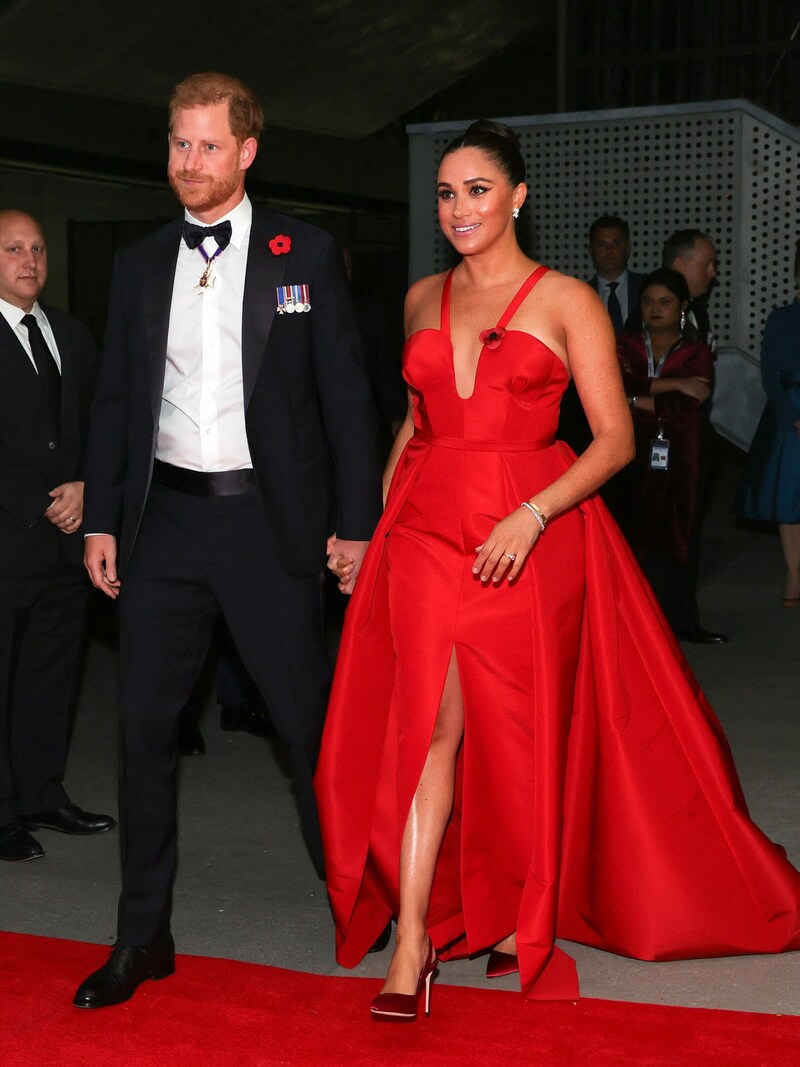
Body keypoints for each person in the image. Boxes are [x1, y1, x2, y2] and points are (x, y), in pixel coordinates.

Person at [314, 121, 800, 1014]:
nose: (460, 208)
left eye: (478, 191)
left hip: (526, 530)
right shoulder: (423, 296)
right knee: (430, 724)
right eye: (448, 193)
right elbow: (413, 428)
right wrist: (370, 533)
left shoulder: (566, 298)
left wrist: (533, 515)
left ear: (518, 197)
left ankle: (510, 911)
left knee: (514, 732)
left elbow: (613, 441)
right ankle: (414, 938)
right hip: (424, 530)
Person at [73, 72, 382, 1009]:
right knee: (140, 730)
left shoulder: (307, 254)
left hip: (267, 525)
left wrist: (356, 525)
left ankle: (363, 906)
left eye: (208, 145)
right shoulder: (137, 263)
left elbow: (348, 401)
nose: (188, 162)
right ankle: (141, 935)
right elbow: (118, 400)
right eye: (177, 143)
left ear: (247, 151)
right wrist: (99, 516)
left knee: (306, 729)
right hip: (163, 521)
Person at [0, 210, 115, 863]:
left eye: (38, 249)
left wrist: (85, 486)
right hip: (7, 535)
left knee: (51, 675)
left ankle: (42, 793)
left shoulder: (71, 333)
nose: (30, 261)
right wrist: (36, 500)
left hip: (64, 544)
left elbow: (102, 422)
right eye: (14, 249)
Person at [612, 269, 717, 638]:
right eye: (647, 301)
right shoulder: (626, 345)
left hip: (682, 451)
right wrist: (672, 384)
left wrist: (633, 401)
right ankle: (631, 624)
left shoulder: (696, 351)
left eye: (665, 302)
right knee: (629, 533)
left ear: (683, 307)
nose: (655, 309)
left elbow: (689, 404)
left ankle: (682, 622)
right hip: (627, 450)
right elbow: (616, 385)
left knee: (678, 533)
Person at [736, 239, 800, 605]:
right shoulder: (782, 318)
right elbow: (770, 375)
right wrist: (792, 415)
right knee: (789, 501)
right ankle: (794, 574)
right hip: (790, 414)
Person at [560, 214, 645, 454]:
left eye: (616, 243)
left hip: (645, 400)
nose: (609, 251)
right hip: (590, 407)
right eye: (601, 244)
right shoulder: (576, 296)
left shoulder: (650, 290)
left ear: (628, 248)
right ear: (590, 250)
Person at [662, 229, 718, 346]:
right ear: (679, 265)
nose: (712, 272)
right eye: (706, 265)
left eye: (713, 265)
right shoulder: (652, 312)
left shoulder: (699, 313)